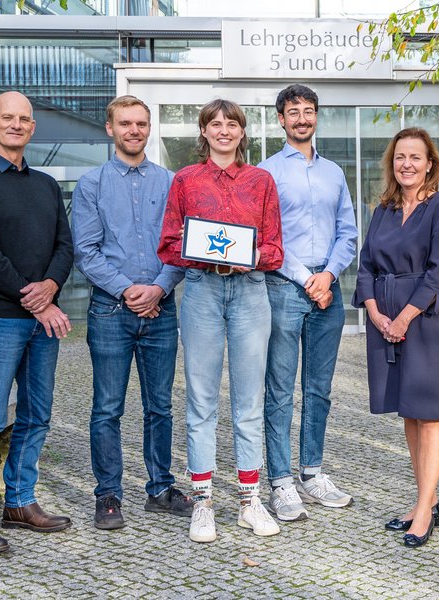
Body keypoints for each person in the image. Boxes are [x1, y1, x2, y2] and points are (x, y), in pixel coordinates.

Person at [157, 99, 284, 543]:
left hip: (250, 293)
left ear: (242, 132)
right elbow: (169, 244)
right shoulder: (185, 180)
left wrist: (245, 255)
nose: (224, 130)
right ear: (204, 131)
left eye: (232, 124)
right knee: (201, 400)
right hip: (202, 290)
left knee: (249, 401)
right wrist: (206, 251)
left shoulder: (261, 181)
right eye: (216, 124)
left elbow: (274, 250)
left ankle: (250, 501)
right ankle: (203, 502)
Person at [0, 91, 74, 554]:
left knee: (36, 416)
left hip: (40, 324)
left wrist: (51, 286)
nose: (17, 124)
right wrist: (39, 301)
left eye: (24, 119)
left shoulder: (45, 185)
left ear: (32, 127)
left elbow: (65, 246)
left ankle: (20, 501)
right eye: (8, 117)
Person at [73, 95, 192, 530]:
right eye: (125, 123)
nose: (134, 130)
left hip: (161, 309)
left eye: (141, 123)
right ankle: (108, 495)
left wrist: (159, 287)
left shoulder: (172, 182)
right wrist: (128, 291)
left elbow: (183, 246)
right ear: (110, 129)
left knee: (159, 405)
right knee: (107, 407)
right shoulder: (92, 184)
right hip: (110, 310)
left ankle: (160, 488)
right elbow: (85, 252)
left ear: (149, 128)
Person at [353, 127, 439, 548]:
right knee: (409, 412)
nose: (407, 164)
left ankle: (424, 511)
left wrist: (405, 317)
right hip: (385, 319)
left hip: (426, 320)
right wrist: (378, 313)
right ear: (391, 162)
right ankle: (425, 501)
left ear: (430, 163)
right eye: (400, 157)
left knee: (430, 413)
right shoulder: (382, 209)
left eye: (415, 157)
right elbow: (365, 266)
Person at [259, 84, 358, 522]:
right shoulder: (266, 173)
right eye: (293, 111)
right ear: (281, 119)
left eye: (309, 111)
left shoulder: (335, 172)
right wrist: (306, 278)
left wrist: (328, 277)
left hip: (327, 290)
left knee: (319, 389)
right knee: (279, 390)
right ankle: (280, 481)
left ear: (317, 117)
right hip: (283, 287)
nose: (302, 118)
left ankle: (312, 472)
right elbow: (268, 238)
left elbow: (348, 232)